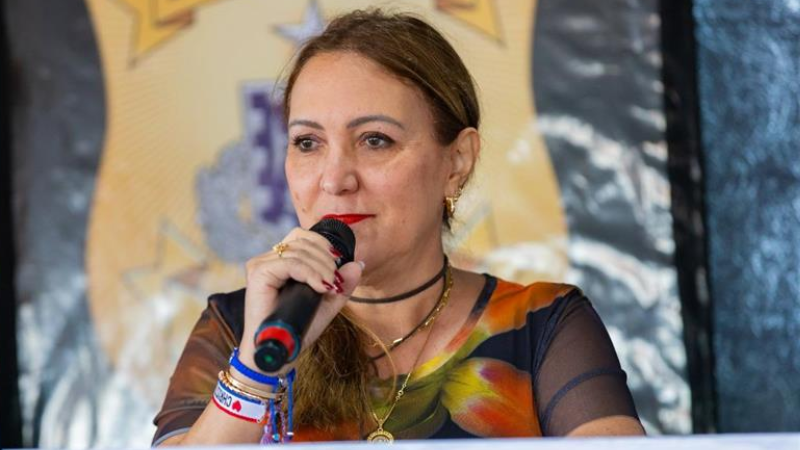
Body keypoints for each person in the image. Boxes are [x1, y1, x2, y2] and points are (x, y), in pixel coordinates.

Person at [153, 9, 644, 445]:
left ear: (457, 161)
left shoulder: (541, 325)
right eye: (307, 143)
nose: (334, 179)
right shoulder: (239, 327)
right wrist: (256, 372)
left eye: (375, 140)